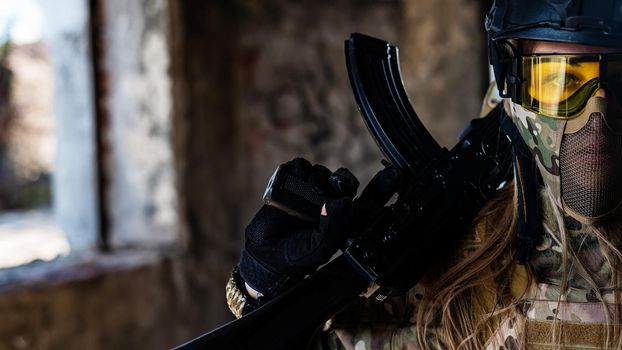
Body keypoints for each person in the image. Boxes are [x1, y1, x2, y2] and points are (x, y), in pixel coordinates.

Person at [224, 0, 622, 349]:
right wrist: (261, 287)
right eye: (560, 81)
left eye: (620, 79)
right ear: (512, 88)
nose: (597, 113)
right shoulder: (465, 273)